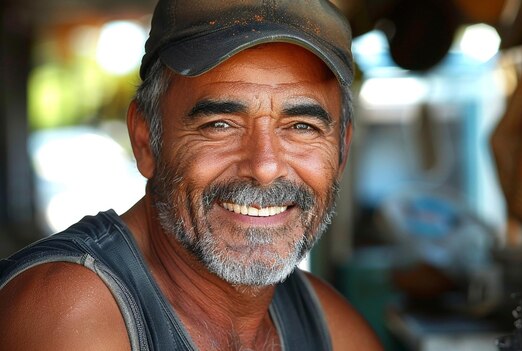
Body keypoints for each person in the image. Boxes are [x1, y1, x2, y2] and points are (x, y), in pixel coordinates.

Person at [0, 0, 384, 350]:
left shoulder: (330, 328)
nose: (265, 168)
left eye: (301, 127)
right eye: (220, 124)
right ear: (146, 140)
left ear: (341, 150)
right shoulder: (69, 314)